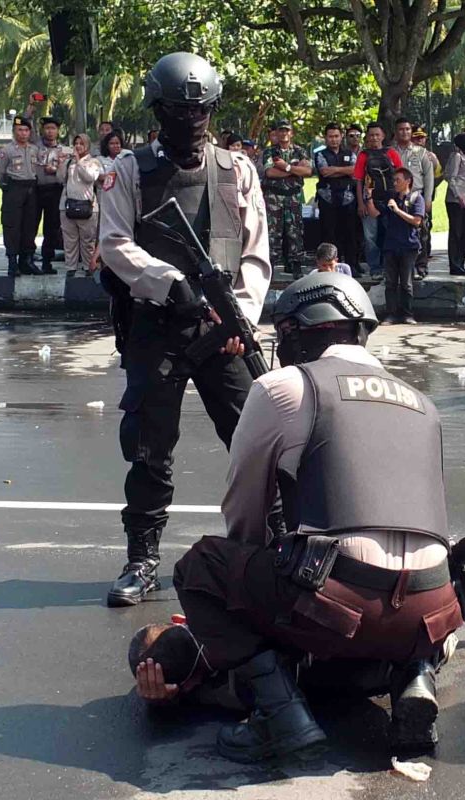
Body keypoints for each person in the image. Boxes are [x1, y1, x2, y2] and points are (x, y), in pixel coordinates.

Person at [133, 272, 465, 760]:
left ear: (296, 330)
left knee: (203, 566)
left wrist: (251, 598)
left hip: (340, 602)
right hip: (432, 609)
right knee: (398, 593)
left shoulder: (284, 386)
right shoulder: (423, 402)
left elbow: (243, 516)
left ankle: (279, 716)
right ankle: (414, 676)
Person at [97, 51, 272, 607]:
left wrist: (239, 312)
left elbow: (255, 252)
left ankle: (272, 550)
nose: (191, 120)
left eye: (200, 111)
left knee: (254, 442)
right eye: (178, 110)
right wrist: (168, 281)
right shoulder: (129, 170)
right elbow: (114, 243)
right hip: (158, 326)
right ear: (158, 110)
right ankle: (142, 562)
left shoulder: (237, 169)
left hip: (224, 332)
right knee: (149, 449)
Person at [0, 116, 42, 276]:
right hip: (14, 188)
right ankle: (12, 262)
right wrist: (6, 188)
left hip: (31, 189)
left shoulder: (34, 149)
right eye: (20, 130)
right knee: (12, 226)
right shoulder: (7, 150)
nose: (23, 133)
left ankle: (27, 261)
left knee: (30, 225)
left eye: (26, 130)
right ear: (14, 131)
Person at [261, 120, 311, 278]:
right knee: (273, 232)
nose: (283, 134)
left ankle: (295, 264)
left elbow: (308, 171)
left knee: (295, 230)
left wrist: (286, 166)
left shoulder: (300, 151)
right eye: (280, 131)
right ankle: (271, 265)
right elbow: (270, 173)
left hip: (293, 197)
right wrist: (295, 171)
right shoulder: (270, 152)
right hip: (274, 196)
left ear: (291, 133)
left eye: (286, 131)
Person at [354, 121, 403, 279]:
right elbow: (359, 180)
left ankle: (390, 266)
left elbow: (401, 176)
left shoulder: (391, 153)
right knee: (370, 237)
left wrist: (400, 200)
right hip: (370, 201)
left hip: (390, 200)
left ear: (383, 136)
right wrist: (361, 203)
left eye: (377, 135)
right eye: (371, 135)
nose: (374, 138)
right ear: (367, 137)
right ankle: (375, 267)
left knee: (390, 234)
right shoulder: (363, 156)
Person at [391, 118, 435, 279]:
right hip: (397, 197)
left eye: (408, 129)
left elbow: (429, 176)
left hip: (416, 195)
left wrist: (428, 198)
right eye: (401, 129)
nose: (405, 132)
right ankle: (397, 268)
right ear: (396, 132)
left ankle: (420, 266)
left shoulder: (421, 152)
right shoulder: (390, 152)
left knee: (421, 233)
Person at [314, 122, 360, 273]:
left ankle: (352, 265)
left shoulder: (349, 154)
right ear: (325, 138)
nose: (333, 139)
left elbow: (354, 171)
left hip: (348, 199)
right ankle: (328, 266)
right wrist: (343, 171)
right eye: (330, 137)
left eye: (336, 136)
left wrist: (335, 169)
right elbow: (324, 171)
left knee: (350, 234)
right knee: (329, 234)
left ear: (341, 137)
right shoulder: (320, 154)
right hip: (327, 199)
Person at [384, 167, 425, 323]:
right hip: (391, 245)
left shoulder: (416, 198)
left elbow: (416, 221)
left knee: (406, 283)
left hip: (408, 245)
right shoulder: (392, 198)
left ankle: (407, 314)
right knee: (390, 282)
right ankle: (391, 314)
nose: (395, 183)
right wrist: (368, 198)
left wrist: (397, 210)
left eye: (398, 180)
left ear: (408, 181)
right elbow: (376, 213)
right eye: (394, 180)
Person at [59, 133, 102, 277]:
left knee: (88, 240)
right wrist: (61, 163)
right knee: (69, 239)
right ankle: (71, 267)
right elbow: (60, 179)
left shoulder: (93, 162)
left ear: (87, 146)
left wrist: (79, 162)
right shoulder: (68, 162)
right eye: (76, 143)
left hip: (87, 206)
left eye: (81, 144)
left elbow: (89, 177)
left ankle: (87, 267)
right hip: (68, 205)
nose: (78, 146)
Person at [32, 117, 69, 274]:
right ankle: (28, 258)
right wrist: (31, 109)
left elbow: (68, 172)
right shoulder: (35, 146)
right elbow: (27, 124)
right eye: (47, 128)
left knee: (52, 227)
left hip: (55, 190)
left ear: (58, 131)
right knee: (31, 225)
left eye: (53, 128)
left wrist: (56, 170)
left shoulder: (64, 151)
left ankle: (47, 260)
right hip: (35, 190)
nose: (50, 131)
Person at [444, 132, 465, 277]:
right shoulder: (456, 156)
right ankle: (454, 264)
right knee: (456, 232)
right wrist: (458, 195)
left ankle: (461, 263)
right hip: (456, 200)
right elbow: (450, 177)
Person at [411, 125, 441, 277]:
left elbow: (437, 173)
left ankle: (424, 258)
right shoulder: (409, 153)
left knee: (425, 228)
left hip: (424, 195)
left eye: (422, 138)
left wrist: (434, 160)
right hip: (410, 195)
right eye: (416, 138)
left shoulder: (428, 155)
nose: (419, 140)